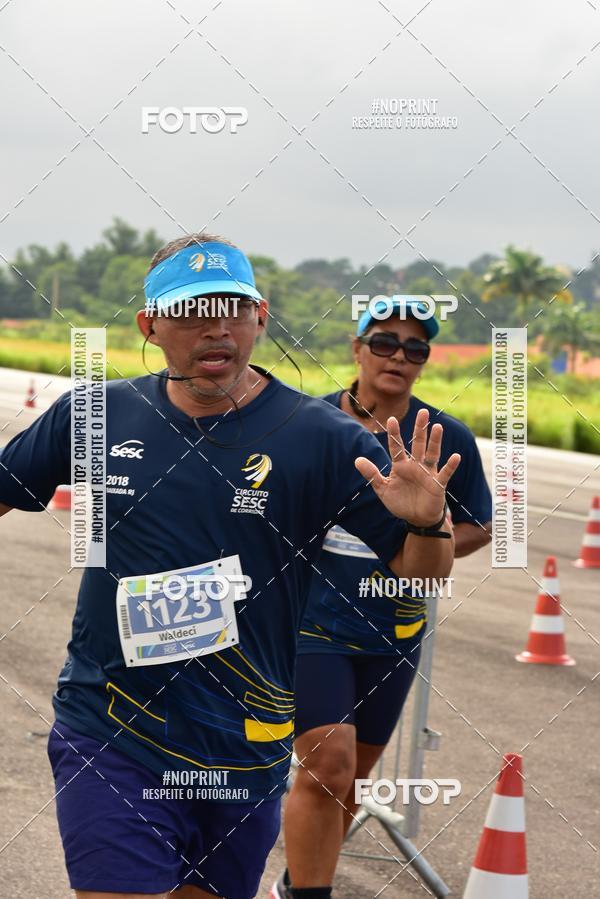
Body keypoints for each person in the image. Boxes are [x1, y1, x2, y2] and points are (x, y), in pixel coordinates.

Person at [0, 244, 460, 899]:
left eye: (232, 310)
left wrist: (428, 522)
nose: (215, 328)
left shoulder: (322, 437)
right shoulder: (96, 414)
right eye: (190, 313)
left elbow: (425, 571)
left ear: (260, 316)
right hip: (111, 728)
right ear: (149, 326)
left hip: (243, 747)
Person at [273, 296, 492, 899]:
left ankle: (297, 883)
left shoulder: (443, 436)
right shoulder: (308, 423)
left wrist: (417, 543)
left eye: (414, 348)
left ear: (425, 360)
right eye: (385, 342)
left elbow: (478, 525)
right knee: (329, 763)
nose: (398, 356)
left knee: (351, 779)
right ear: (357, 348)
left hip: (394, 632)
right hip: (310, 624)